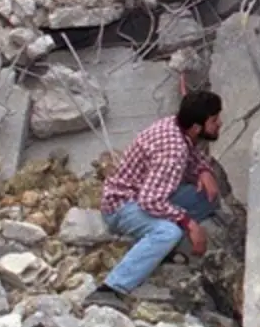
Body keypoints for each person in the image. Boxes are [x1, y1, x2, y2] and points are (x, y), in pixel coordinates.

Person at [87, 90, 223, 309]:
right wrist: (189, 223)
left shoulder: (177, 126)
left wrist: (203, 170)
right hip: (122, 206)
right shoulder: (173, 152)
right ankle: (111, 288)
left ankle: (155, 247)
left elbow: (191, 154)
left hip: (145, 193)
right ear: (197, 127)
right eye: (214, 120)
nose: (219, 124)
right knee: (170, 232)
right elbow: (149, 201)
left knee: (206, 197)